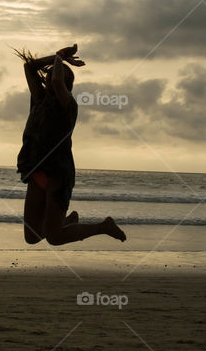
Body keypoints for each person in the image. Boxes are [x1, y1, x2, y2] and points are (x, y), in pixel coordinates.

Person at [16, 43, 126, 245]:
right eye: (47, 77)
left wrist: (61, 55)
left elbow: (58, 81)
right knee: (31, 237)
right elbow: (29, 67)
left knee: (54, 238)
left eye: (55, 77)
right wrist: (58, 59)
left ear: (68, 85)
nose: (50, 79)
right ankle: (68, 222)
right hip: (35, 169)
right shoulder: (38, 100)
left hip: (58, 172)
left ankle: (103, 226)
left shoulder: (68, 105)